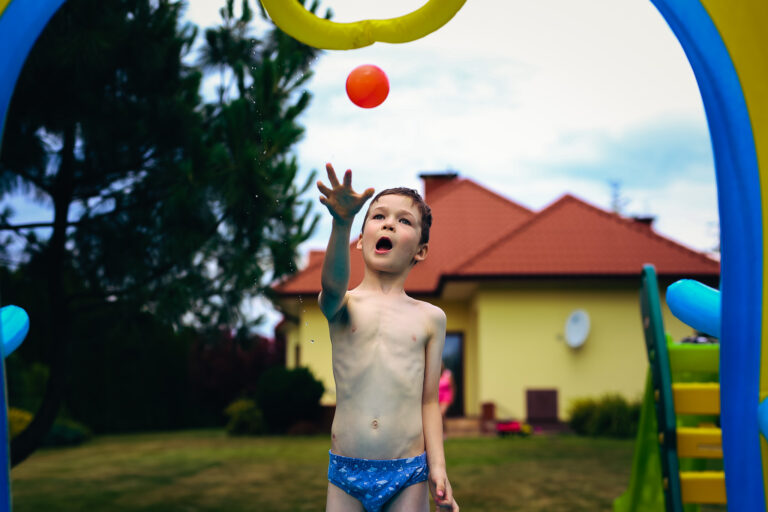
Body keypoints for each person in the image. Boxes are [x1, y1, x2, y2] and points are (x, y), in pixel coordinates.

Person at [317, 163, 459, 512]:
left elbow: (429, 401)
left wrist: (437, 468)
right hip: (346, 471)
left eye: (404, 221)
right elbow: (332, 283)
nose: (389, 223)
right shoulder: (342, 305)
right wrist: (341, 223)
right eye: (378, 216)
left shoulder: (430, 318)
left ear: (420, 251)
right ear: (362, 238)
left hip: (407, 472)